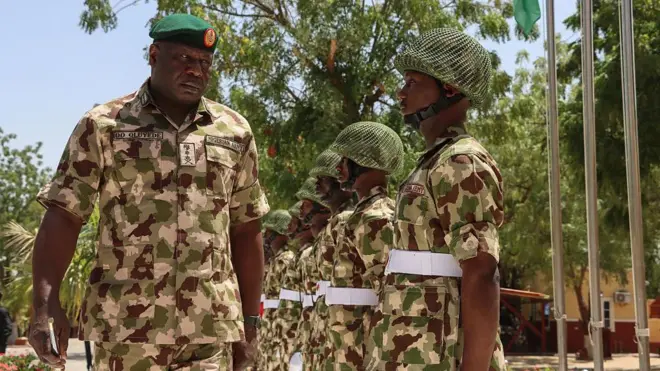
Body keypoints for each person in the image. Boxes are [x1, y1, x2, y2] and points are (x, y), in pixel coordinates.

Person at [30, 13, 269, 370]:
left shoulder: (234, 132)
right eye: (184, 59)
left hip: (209, 330)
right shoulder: (104, 125)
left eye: (204, 63)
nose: (196, 71)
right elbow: (65, 214)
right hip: (126, 329)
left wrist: (250, 326)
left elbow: (247, 229)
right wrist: (44, 303)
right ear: (154, 54)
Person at [367, 28, 506, 370]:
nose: (400, 93)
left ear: (449, 88)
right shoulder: (434, 161)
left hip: (442, 353)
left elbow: (481, 273)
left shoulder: (461, 162)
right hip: (416, 349)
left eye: (412, 82)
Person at [322, 121, 403, 370]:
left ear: (362, 162)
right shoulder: (364, 213)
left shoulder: (376, 216)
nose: (339, 168)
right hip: (348, 339)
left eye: (345, 161)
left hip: (361, 343)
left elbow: (387, 291)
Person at [308, 149, 356, 370]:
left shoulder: (349, 220)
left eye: (323, 179)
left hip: (348, 329)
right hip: (329, 326)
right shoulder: (334, 222)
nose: (317, 185)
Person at [292, 177, 331, 370]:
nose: (301, 213)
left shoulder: (338, 231)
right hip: (316, 328)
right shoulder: (315, 247)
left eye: (306, 205)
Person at [258, 210, 292, 371]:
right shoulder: (274, 261)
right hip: (269, 328)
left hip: (280, 329)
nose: (265, 238)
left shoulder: (286, 260)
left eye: (270, 234)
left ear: (282, 235)